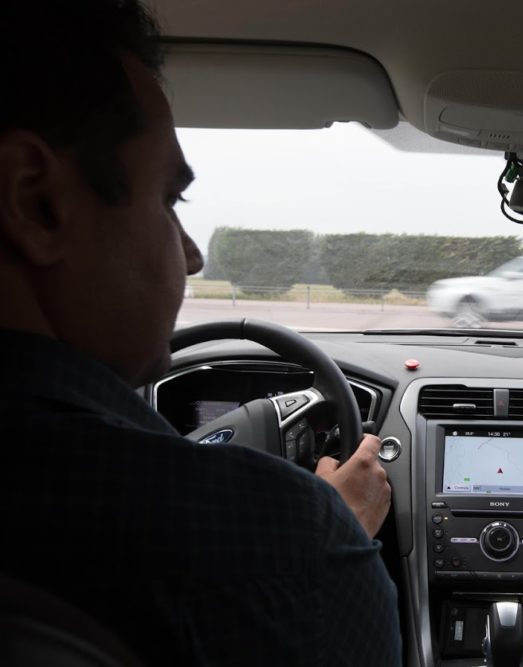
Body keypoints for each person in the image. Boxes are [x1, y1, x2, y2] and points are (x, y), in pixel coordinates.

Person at [0, 1, 401, 664]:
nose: (191, 255)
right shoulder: (290, 544)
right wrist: (338, 535)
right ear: (35, 201)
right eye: (168, 199)